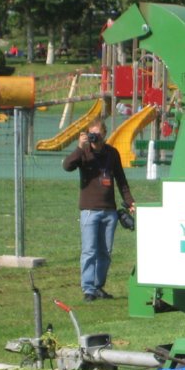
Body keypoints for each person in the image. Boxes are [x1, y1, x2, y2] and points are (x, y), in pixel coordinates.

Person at [63, 118, 134, 302]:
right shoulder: (84, 153)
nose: (94, 138)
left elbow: (121, 180)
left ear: (104, 134)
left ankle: (97, 286)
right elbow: (67, 166)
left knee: (105, 252)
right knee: (89, 250)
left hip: (109, 211)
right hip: (89, 210)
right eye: (91, 134)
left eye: (97, 134)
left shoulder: (112, 153)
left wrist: (130, 202)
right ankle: (88, 289)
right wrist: (80, 147)